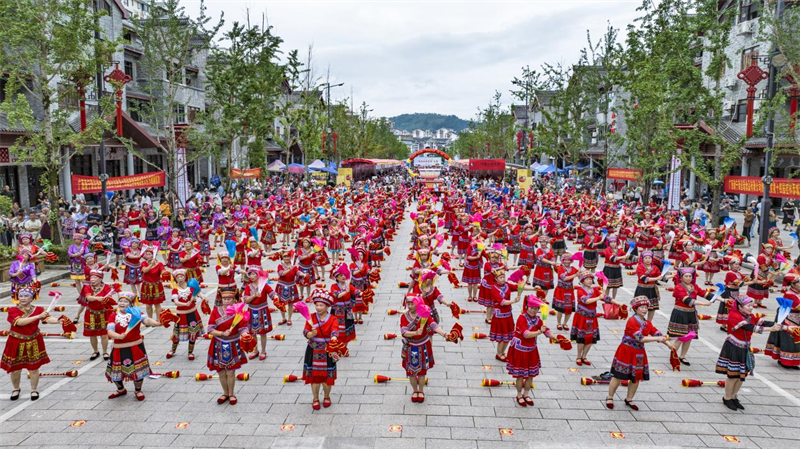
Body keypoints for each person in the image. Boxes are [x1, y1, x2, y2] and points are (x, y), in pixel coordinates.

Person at [716, 295, 781, 410]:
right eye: (749, 306)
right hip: (734, 347)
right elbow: (749, 327)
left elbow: (762, 322)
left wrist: (780, 325)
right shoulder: (734, 315)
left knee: (742, 374)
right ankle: (727, 398)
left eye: (752, 305)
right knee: (733, 375)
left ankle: (734, 396)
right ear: (740, 307)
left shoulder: (749, 315)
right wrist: (771, 329)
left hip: (745, 347)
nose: (751, 308)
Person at [606, 296, 668, 411]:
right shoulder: (632, 321)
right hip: (626, 350)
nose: (644, 310)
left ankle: (629, 399)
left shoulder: (647, 323)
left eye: (646, 307)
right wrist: (656, 339)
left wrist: (669, 345)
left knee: (635, 378)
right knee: (618, 375)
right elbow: (640, 338)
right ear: (635, 309)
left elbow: (656, 332)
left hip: (639, 353)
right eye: (642, 307)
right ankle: (610, 397)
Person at [1, 287, 59, 401]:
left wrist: (58, 320)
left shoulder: (38, 309)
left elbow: (47, 318)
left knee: (34, 368)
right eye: (21, 296)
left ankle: (34, 389)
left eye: (26, 296)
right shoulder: (13, 311)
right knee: (15, 368)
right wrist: (38, 316)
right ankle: (16, 388)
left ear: (32, 298)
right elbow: (20, 322)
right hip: (16, 342)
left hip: (33, 341)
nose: (23, 298)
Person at [105, 291, 160, 401]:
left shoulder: (136, 313)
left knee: (137, 370)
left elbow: (147, 320)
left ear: (130, 304)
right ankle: (121, 389)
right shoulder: (113, 315)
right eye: (120, 301)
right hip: (118, 348)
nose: (122, 303)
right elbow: (110, 331)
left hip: (135, 346)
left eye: (125, 301)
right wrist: (118, 336)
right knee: (115, 371)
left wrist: (157, 323)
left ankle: (138, 390)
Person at [506, 295, 556, 407]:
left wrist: (555, 338)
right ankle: (519, 394)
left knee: (530, 375)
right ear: (527, 307)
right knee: (520, 375)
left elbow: (546, 330)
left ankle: (527, 394)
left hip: (531, 350)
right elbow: (526, 334)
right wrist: (539, 332)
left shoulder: (538, 319)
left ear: (538, 310)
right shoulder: (521, 318)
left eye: (536, 308)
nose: (533, 310)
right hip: (520, 350)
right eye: (531, 308)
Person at [401, 295, 451, 403]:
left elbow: (433, 325)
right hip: (411, 347)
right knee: (411, 373)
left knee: (422, 372)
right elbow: (403, 332)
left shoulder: (424, 314)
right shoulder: (404, 317)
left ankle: (421, 390)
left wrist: (445, 334)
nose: (409, 306)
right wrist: (415, 332)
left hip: (423, 345)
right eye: (408, 304)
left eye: (412, 304)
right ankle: (415, 390)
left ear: (417, 304)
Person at [207, 289, 249, 405]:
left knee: (230, 371)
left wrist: (245, 334)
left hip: (233, 344)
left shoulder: (238, 312)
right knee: (221, 371)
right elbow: (210, 329)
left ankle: (231, 393)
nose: (226, 301)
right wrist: (221, 333)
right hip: (218, 344)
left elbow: (243, 327)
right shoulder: (216, 311)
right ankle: (224, 393)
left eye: (229, 299)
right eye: (224, 299)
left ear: (234, 300)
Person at [668, 267, 714, 366]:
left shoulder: (695, 286)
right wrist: (703, 304)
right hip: (680, 313)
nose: (689, 278)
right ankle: (673, 355)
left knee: (689, 336)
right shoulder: (678, 287)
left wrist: (723, 299)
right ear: (680, 277)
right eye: (686, 276)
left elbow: (706, 294)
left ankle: (682, 356)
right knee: (681, 336)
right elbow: (688, 300)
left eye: (690, 276)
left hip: (691, 313)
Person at [302, 289, 339, 410]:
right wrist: (311, 334)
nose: (318, 307)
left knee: (327, 377)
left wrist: (333, 338)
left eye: (321, 305)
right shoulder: (311, 317)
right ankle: (315, 398)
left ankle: (327, 396)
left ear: (327, 306)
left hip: (328, 350)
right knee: (314, 377)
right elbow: (306, 333)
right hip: (313, 350)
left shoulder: (333, 318)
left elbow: (335, 331)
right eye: (317, 305)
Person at [167, 269, 206, 360]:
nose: (180, 278)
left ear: (185, 277)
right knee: (176, 333)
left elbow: (198, 292)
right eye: (178, 277)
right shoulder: (175, 290)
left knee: (192, 332)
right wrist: (185, 304)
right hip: (181, 315)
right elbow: (176, 302)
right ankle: (173, 350)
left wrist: (204, 297)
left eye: (182, 276)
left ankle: (190, 352)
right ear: (175, 279)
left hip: (192, 313)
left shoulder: (191, 286)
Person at [241, 267, 275, 361]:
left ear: (258, 274)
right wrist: (254, 295)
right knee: (252, 332)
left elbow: (272, 293)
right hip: (252, 311)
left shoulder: (264, 285)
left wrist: (276, 298)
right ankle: (255, 350)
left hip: (263, 310)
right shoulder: (248, 287)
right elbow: (246, 300)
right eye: (250, 274)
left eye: (253, 274)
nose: (251, 276)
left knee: (263, 333)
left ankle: (263, 351)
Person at [81, 270, 115, 360]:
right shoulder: (87, 287)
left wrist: (105, 298)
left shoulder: (107, 287)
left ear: (101, 278)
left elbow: (109, 298)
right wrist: (99, 298)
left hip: (103, 313)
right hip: (91, 313)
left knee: (104, 334)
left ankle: (105, 351)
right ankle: (95, 351)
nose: (92, 279)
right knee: (92, 334)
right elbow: (89, 298)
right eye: (91, 277)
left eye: (95, 277)